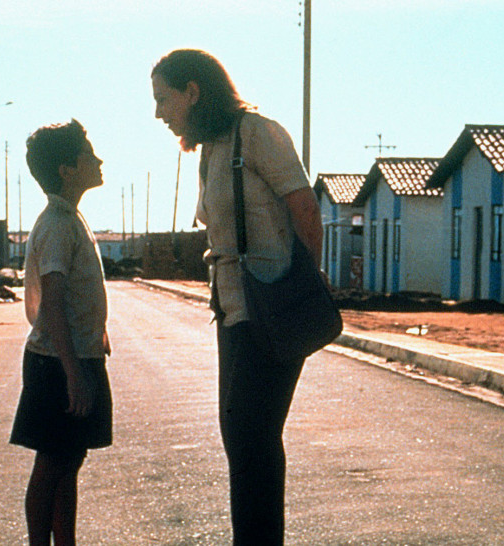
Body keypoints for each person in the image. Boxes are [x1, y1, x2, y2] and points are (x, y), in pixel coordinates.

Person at [152, 49, 324, 545]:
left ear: (193, 92)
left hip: (271, 308)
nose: (159, 112)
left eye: (164, 99)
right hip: (233, 312)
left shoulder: (258, 134)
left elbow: (306, 213)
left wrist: (299, 291)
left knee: (252, 439)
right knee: (243, 440)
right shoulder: (211, 147)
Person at [9, 119, 113, 546]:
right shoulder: (56, 223)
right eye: (88, 153)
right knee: (53, 461)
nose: (98, 159)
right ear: (68, 169)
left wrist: (97, 338)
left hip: (77, 357)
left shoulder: (71, 218)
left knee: (70, 458)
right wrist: (73, 373)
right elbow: (52, 302)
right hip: (56, 364)